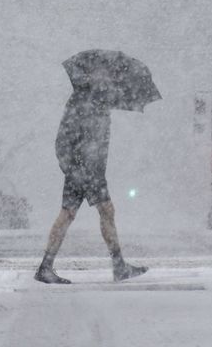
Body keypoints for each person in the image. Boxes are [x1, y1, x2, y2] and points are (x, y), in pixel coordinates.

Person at [35, 85, 147, 284]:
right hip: (86, 170)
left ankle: (46, 266)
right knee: (105, 210)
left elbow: (81, 141)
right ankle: (119, 265)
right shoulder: (83, 103)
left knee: (69, 214)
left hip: (85, 169)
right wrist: (73, 168)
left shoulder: (95, 102)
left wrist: (73, 168)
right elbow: (64, 141)